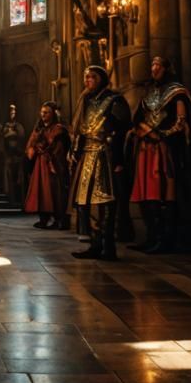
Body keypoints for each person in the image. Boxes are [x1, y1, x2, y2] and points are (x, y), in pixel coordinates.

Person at [129, 56, 191, 253]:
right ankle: (151, 236)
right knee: (148, 193)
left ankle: (166, 239)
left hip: (165, 148)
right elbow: (137, 118)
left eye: (157, 64)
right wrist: (147, 131)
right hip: (147, 148)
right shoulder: (148, 93)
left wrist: (163, 135)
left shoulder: (176, 91)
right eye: (152, 64)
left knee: (165, 192)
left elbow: (181, 121)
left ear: (166, 68)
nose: (153, 68)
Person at [68, 65, 130, 261]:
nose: (88, 81)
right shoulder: (86, 100)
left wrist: (118, 159)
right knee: (86, 203)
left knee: (105, 202)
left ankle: (108, 247)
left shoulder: (115, 100)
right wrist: (75, 152)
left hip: (105, 155)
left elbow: (122, 131)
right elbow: (80, 131)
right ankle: (95, 245)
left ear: (101, 79)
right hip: (87, 155)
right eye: (86, 77)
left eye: (92, 77)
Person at [24, 102, 70, 229]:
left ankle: (59, 220)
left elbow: (60, 148)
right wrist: (33, 148)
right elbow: (30, 146)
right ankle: (43, 219)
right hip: (40, 165)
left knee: (55, 192)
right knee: (41, 191)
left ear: (53, 114)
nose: (43, 115)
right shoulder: (39, 129)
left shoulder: (59, 129)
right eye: (42, 112)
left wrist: (50, 155)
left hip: (53, 165)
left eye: (47, 112)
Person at [0, 103, 25, 206]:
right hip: (6, 154)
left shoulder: (18, 126)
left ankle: (16, 198)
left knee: (17, 177)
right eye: (10, 112)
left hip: (16, 154)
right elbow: (0, 139)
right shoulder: (3, 126)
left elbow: (21, 137)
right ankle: (8, 196)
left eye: (14, 112)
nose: (12, 114)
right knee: (7, 176)